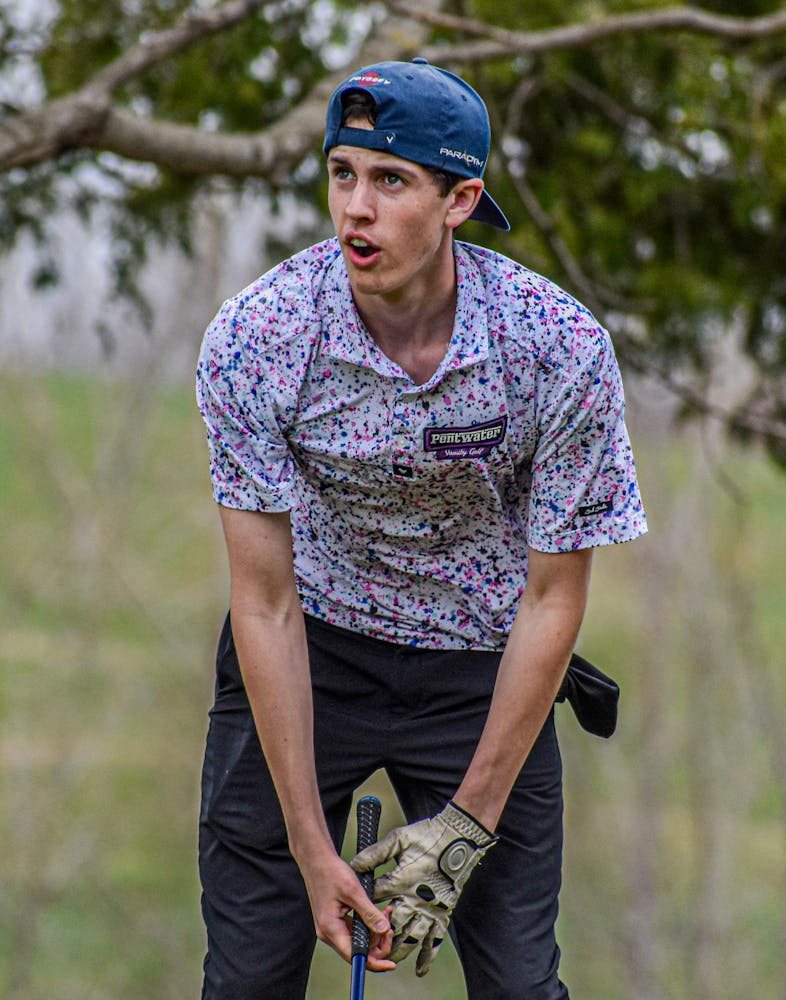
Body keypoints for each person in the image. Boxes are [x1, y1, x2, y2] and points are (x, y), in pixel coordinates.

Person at [195, 57, 647, 1000]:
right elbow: (263, 603)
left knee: (521, 988)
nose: (355, 209)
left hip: (483, 666)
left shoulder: (557, 349)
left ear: (460, 200)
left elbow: (553, 598)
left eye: (391, 180)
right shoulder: (256, 338)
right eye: (342, 173)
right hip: (311, 647)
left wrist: (464, 830)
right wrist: (311, 850)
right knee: (245, 985)